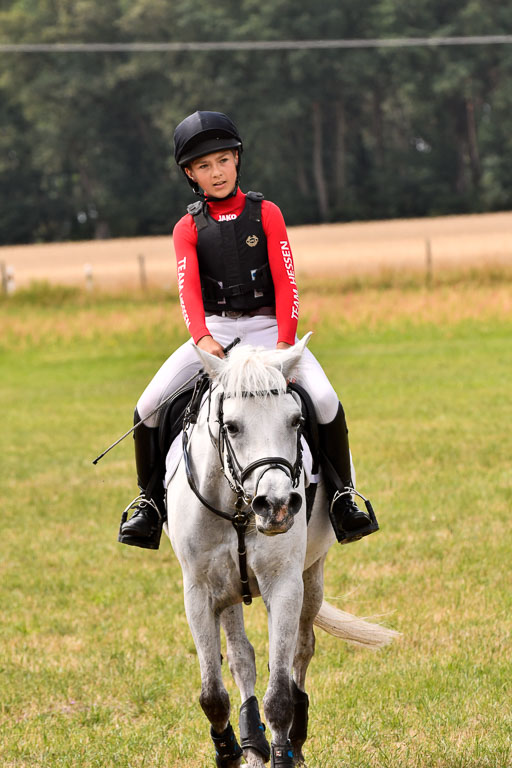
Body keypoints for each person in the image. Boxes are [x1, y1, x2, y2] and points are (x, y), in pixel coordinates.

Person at [118, 110, 378, 550]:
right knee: (147, 406)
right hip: (214, 333)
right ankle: (150, 502)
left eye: (222, 160)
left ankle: (342, 497)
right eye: (203, 166)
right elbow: (188, 292)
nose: (215, 172)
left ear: (237, 159)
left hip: (271, 330)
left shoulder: (267, 214)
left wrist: (283, 345)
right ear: (190, 174)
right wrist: (202, 339)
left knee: (326, 400)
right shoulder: (187, 228)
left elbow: (287, 282)